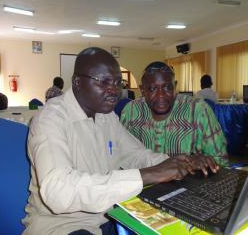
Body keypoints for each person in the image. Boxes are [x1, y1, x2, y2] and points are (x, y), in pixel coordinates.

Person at [23, 48, 219, 235]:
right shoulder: (50, 119)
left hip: (110, 216)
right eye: (104, 82)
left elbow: (137, 155)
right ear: (77, 83)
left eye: (118, 83)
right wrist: (147, 175)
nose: (114, 91)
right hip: (63, 225)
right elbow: (59, 192)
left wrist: (183, 163)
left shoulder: (105, 116)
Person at [120, 61, 228, 167]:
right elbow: (121, 155)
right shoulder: (131, 111)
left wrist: (204, 161)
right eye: (153, 89)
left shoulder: (197, 110)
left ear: (175, 86)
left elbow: (220, 159)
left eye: (167, 87)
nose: (161, 95)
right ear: (142, 90)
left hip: (189, 181)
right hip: (145, 182)